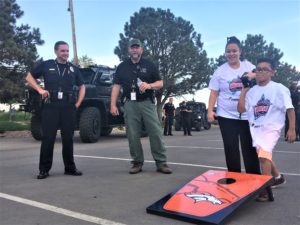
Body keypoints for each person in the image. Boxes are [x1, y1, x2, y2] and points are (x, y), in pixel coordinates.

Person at [110, 38, 172, 174]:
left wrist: (149, 85)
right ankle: (137, 162)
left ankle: (161, 162)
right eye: (132, 47)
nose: (135, 49)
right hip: (130, 104)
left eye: (137, 47)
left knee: (155, 132)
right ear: (128, 50)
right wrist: (112, 104)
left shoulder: (149, 65)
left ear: (141, 50)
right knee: (132, 134)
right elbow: (116, 86)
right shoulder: (122, 66)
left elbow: (160, 83)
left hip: (147, 103)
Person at [238, 58, 296, 201]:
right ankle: (278, 177)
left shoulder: (279, 88)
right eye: (258, 69)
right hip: (256, 129)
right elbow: (240, 109)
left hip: (272, 128)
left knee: (263, 157)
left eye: (265, 69)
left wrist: (292, 129)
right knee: (264, 156)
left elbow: (290, 109)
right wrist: (244, 91)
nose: (261, 72)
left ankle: (265, 190)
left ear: (272, 72)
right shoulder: (252, 91)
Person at [25, 41, 86, 179]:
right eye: (62, 51)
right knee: (48, 138)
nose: (65, 53)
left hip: (68, 107)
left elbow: (82, 86)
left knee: (68, 138)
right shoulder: (47, 65)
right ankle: (44, 170)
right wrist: (40, 89)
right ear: (56, 52)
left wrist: (78, 103)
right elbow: (29, 77)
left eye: (67, 51)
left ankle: (70, 168)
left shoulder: (73, 68)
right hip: (51, 106)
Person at [207, 36, 260, 175]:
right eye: (228, 51)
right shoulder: (220, 71)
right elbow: (213, 93)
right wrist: (209, 111)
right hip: (226, 116)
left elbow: (262, 75)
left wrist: (252, 75)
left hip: (247, 116)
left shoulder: (248, 66)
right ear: (225, 53)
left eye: (234, 51)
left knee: (249, 149)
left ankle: (254, 180)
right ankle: (234, 179)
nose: (231, 54)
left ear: (240, 52)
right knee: (231, 149)